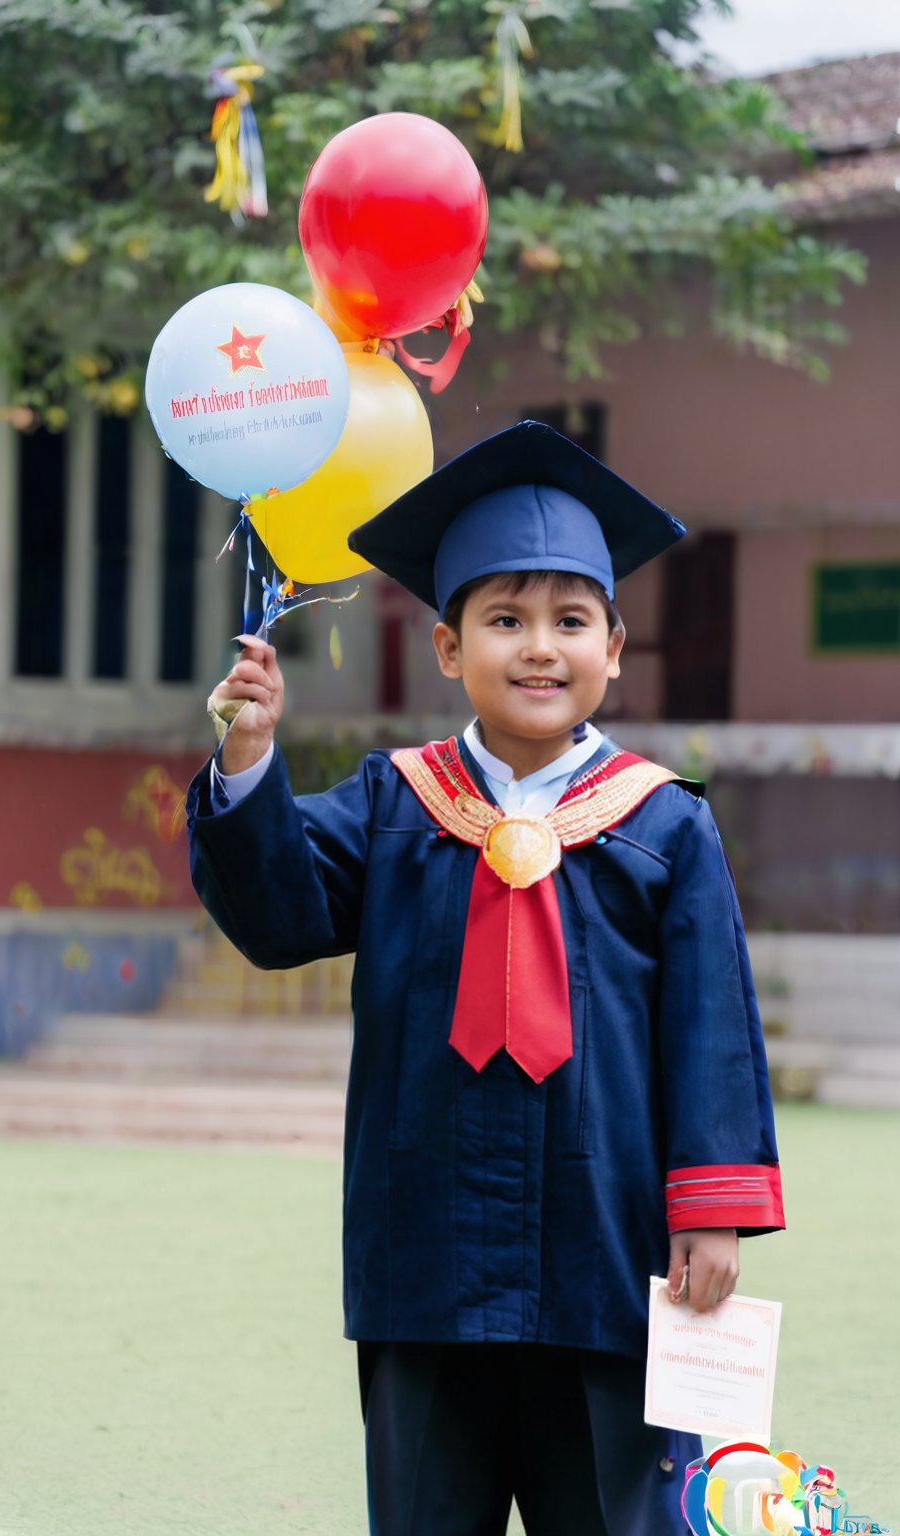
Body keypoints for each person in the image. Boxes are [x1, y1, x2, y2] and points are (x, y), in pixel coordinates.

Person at [186, 420, 784, 1536]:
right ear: (450, 647)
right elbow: (277, 915)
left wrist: (711, 1214)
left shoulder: (663, 825)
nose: (539, 648)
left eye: (569, 621)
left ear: (614, 645)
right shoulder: (392, 805)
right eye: (503, 620)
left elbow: (711, 1032)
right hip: (427, 1259)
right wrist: (250, 759)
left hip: (609, 1264)